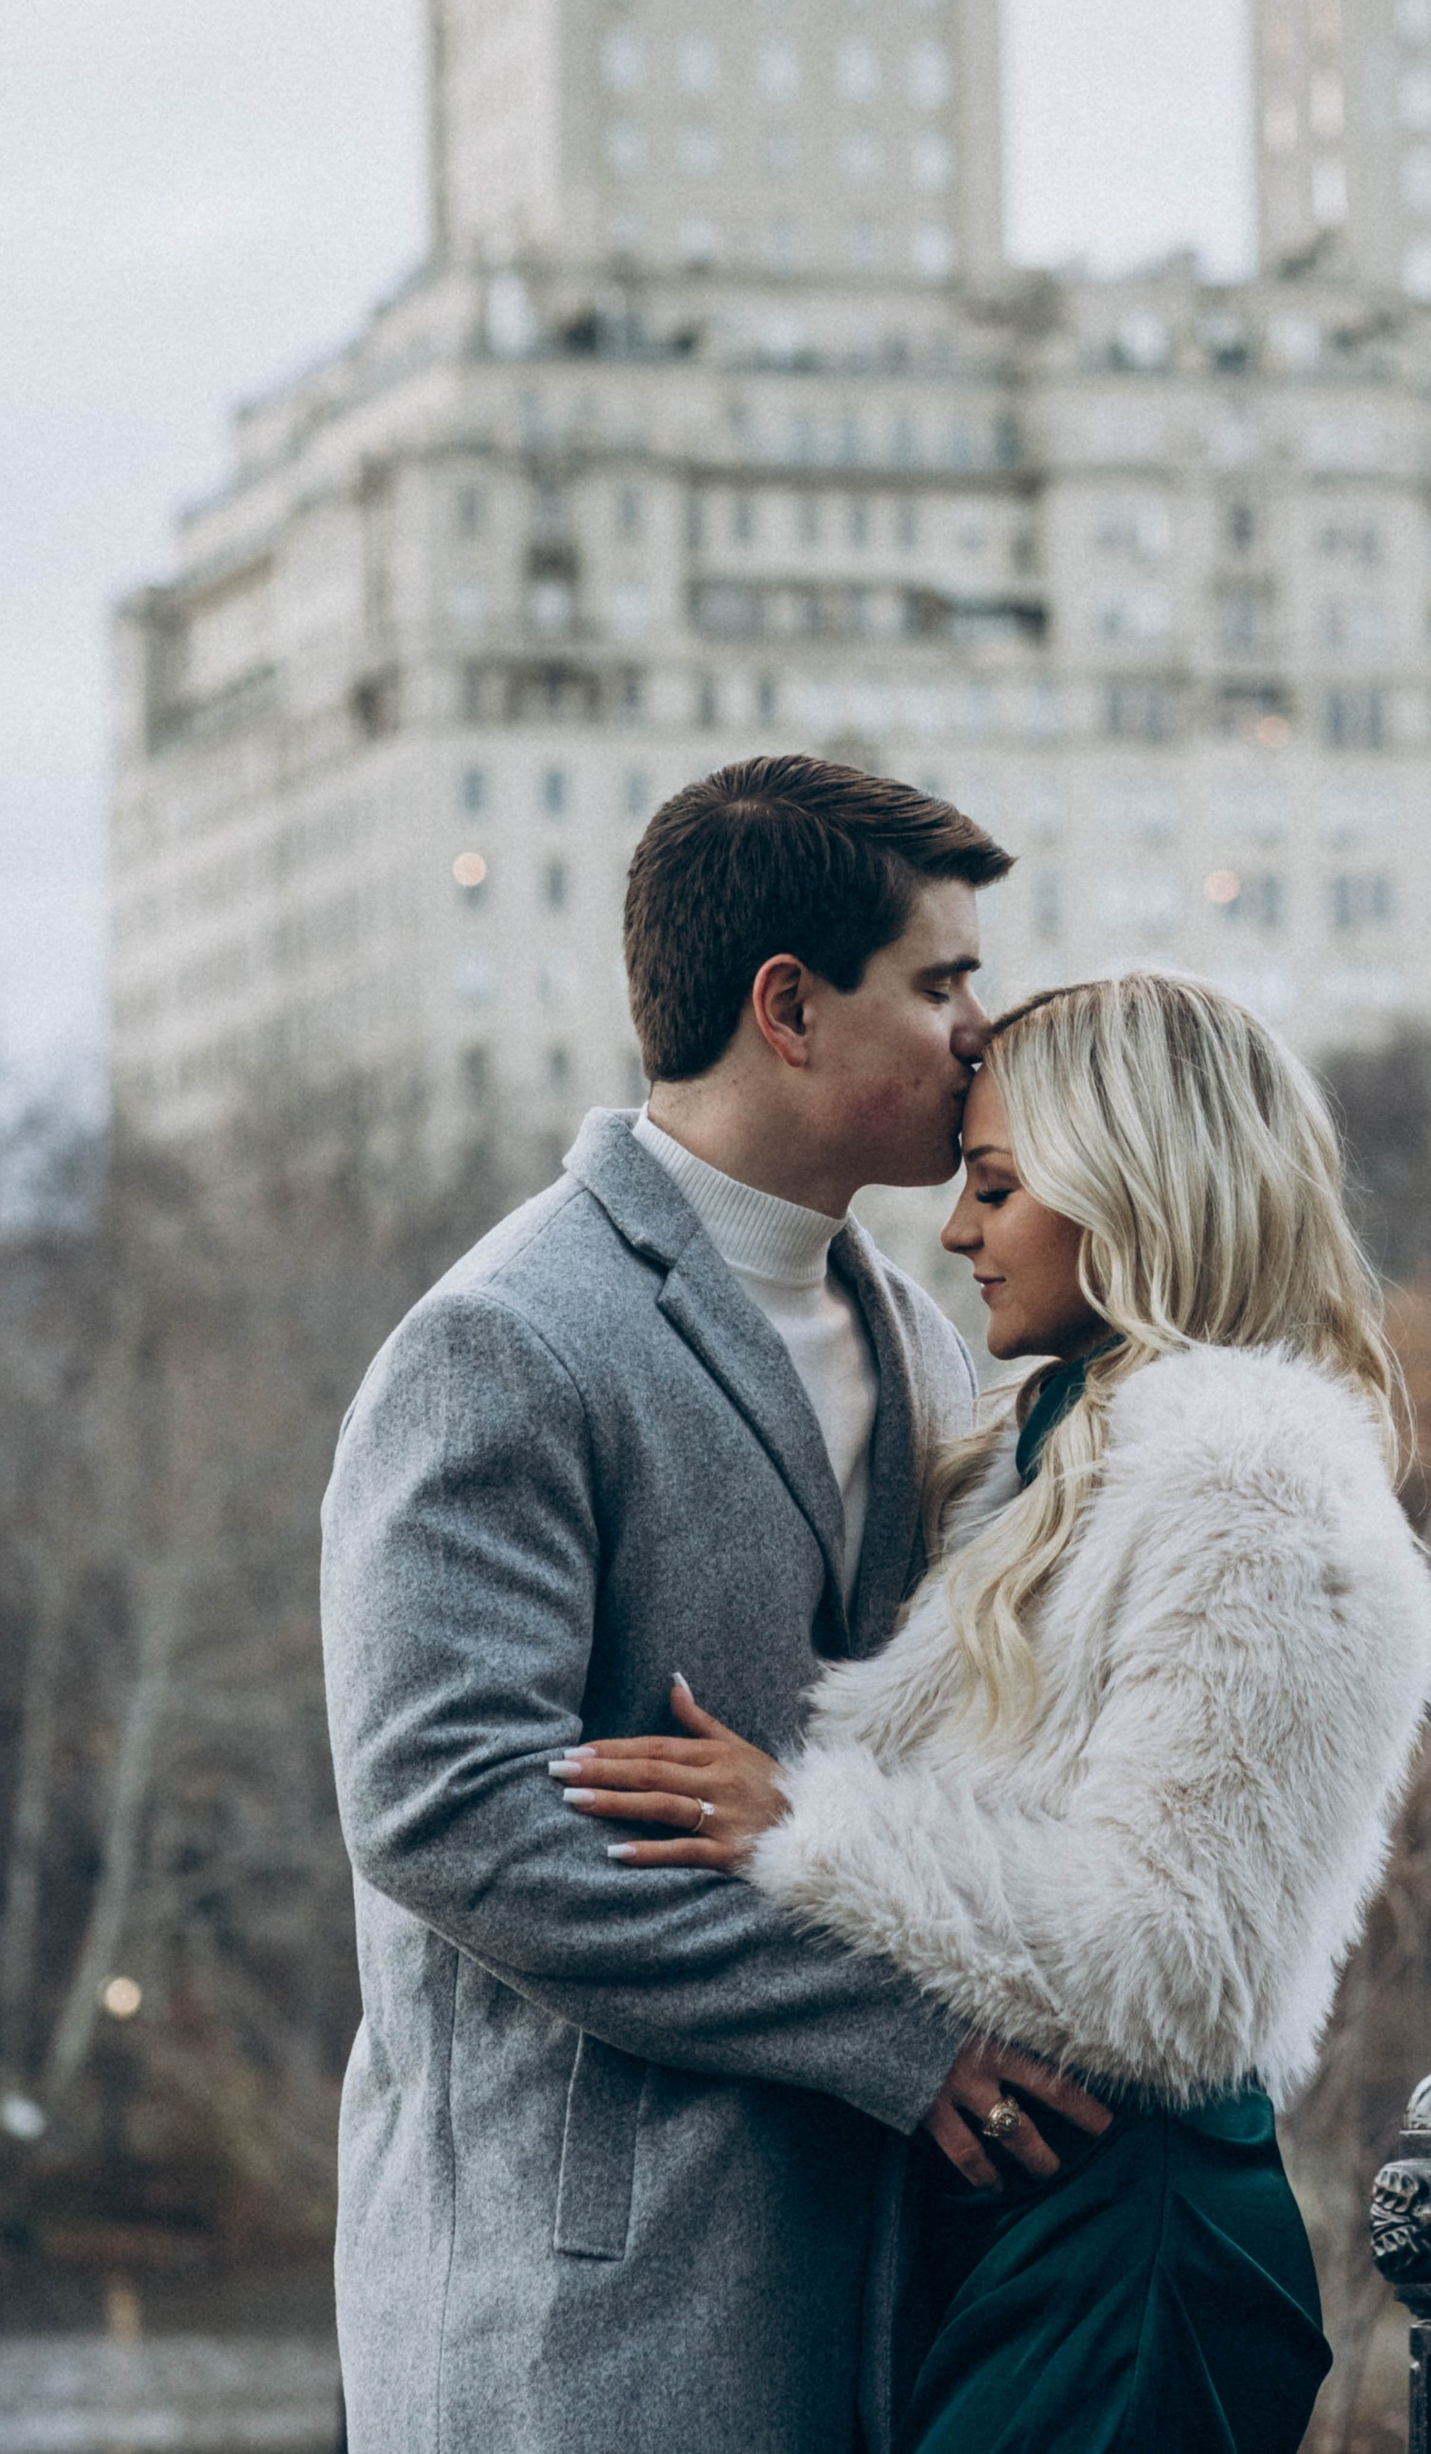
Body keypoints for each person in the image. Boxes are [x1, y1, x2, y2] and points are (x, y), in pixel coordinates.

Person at [322, 756, 1110, 2454]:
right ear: (788, 1008)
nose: (984, 1027)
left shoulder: (914, 1334)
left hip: (875, 2284)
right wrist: (896, 2035)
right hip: (581, 2302)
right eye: (940, 980)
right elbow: (446, 1812)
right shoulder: (504, 1343)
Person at [555, 968, 1431, 2454]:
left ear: (1137, 1190)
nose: (956, 1230)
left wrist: (808, 1828)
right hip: (1003, 2215)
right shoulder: (1026, 1455)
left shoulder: (1253, 1489)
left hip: (1131, 2240)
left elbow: (1177, 1965)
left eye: (998, 1186)